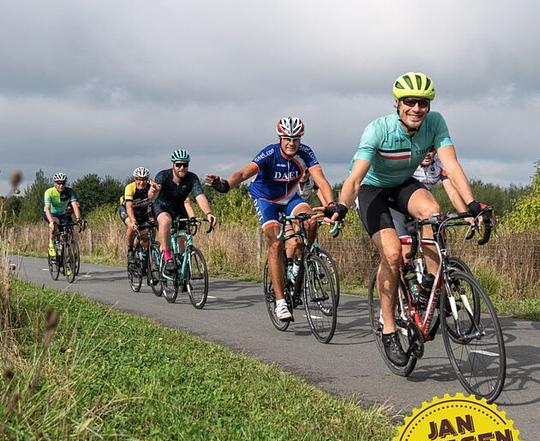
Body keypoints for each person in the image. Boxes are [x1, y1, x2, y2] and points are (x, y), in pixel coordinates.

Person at [326, 72, 489, 365]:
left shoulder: (435, 122)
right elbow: (355, 179)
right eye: (410, 102)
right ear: (397, 104)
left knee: (434, 214)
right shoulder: (378, 130)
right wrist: (341, 206)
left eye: (423, 103)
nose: (417, 108)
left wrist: (472, 204)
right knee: (391, 255)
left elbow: (451, 164)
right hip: (373, 189)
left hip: (403, 185)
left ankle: (428, 284)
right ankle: (388, 328)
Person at [206, 116, 335, 321]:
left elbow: (321, 179)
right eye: (287, 139)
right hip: (265, 199)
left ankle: (305, 259)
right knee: (276, 243)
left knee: (311, 220)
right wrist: (225, 185)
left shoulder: (306, 153)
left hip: (290, 198)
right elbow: (243, 173)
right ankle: (281, 302)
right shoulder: (269, 153)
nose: (291, 143)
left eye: (295, 139)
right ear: (280, 138)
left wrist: (331, 206)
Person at [153, 149, 217, 274]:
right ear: (173, 165)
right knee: (166, 221)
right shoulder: (163, 175)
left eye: (185, 164)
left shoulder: (192, 178)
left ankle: (181, 268)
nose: (182, 168)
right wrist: (153, 191)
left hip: (178, 208)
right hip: (161, 206)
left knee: (182, 237)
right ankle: (167, 257)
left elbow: (199, 195)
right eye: (178, 165)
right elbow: (152, 194)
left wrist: (208, 213)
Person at [118, 167, 159, 264]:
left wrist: (156, 189)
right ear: (135, 179)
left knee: (146, 237)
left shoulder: (150, 187)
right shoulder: (130, 187)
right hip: (127, 210)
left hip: (141, 212)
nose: (141, 182)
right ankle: (130, 250)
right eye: (139, 179)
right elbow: (129, 206)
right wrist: (133, 221)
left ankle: (144, 256)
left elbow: (155, 200)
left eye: (144, 179)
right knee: (131, 227)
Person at [43, 172, 83, 257]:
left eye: (63, 183)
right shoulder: (49, 192)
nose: (61, 185)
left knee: (69, 231)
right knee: (54, 223)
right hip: (51, 214)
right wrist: (50, 222)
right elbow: (47, 208)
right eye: (58, 183)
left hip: (63, 214)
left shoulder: (69, 191)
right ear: (54, 183)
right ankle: (51, 244)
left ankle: (68, 258)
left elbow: (75, 205)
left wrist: (79, 219)